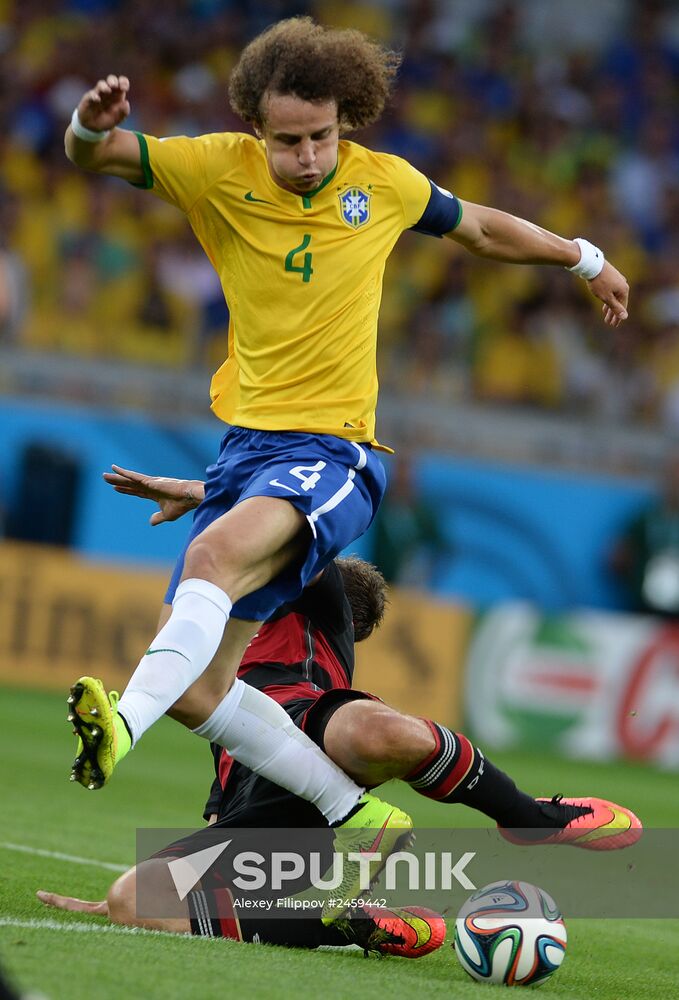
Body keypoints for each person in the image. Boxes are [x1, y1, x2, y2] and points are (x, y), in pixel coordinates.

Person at [63, 17, 630, 906]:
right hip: (246, 455)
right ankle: (350, 812)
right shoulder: (214, 169)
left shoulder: (384, 183)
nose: (306, 156)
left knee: (209, 566)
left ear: (346, 120)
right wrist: (91, 124)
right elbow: (93, 157)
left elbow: (478, 227)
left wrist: (582, 256)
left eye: (321, 136)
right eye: (287, 140)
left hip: (337, 451)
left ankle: (116, 731)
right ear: (256, 127)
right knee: (202, 691)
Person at [42, 499, 640, 950]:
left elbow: (275, 528)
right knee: (128, 900)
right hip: (267, 801)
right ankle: (345, 922)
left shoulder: (317, 598)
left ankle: (528, 818)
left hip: (311, 729)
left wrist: (205, 494)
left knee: (381, 733)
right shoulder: (222, 616)